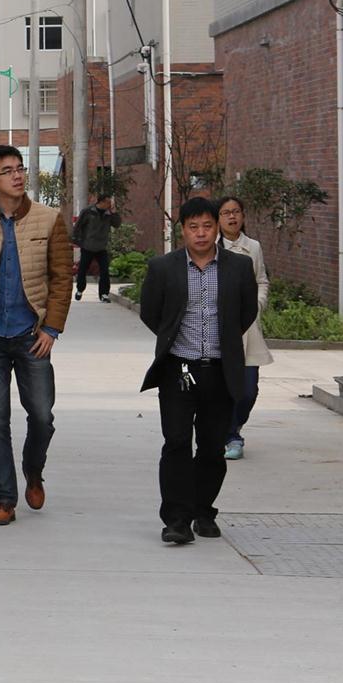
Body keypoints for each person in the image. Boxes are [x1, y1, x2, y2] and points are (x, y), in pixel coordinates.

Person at [137, 198, 259, 545]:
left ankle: (203, 512)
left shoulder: (239, 267)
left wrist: (227, 342)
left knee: (211, 447)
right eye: (193, 227)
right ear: (183, 231)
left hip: (220, 370)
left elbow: (247, 312)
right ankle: (176, 520)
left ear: (217, 227)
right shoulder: (163, 267)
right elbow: (151, 312)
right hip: (179, 368)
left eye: (207, 226)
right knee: (176, 442)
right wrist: (173, 337)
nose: (201, 233)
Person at [0, 145, 73, 526]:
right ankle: (5, 499)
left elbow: (62, 277)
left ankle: (33, 469)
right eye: (7, 170)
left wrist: (52, 327)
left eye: (20, 168)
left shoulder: (48, 218)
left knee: (42, 416)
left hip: (32, 334)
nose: (17, 175)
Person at [217, 196, 272, 460]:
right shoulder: (211, 248)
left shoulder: (253, 247)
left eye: (236, 211)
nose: (232, 217)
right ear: (218, 218)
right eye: (226, 212)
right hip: (218, 329)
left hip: (247, 329)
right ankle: (230, 436)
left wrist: (257, 305)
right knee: (223, 389)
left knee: (248, 391)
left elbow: (262, 280)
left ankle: (233, 427)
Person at [72, 194, 121, 303]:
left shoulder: (109, 214)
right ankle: (80, 290)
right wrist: (77, 241)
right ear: (101, 202)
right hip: (88, 246)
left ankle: (104, 294)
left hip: (101, 247)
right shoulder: (88, 212)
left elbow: (117, 224)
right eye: (108, 202)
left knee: (104, 270)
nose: (110, 205)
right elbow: (78, 227)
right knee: (82, 269)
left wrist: (114, 212)